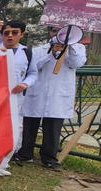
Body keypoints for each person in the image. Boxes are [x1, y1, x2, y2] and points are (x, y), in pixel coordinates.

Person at [17, 26, 87, 170]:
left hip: (58, 94)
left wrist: (69, 49)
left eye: (60, 31)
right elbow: (34, 66)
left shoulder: (78, 49)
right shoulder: (40, 49)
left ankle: (49, 158)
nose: (57, 34)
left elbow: (77, 63)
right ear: (50, 32)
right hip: (38, 92)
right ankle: (25, 154)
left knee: (53, 127)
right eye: (54, 31)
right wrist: (51, 54)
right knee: (30, 125)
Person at [0, 20, 38, 176]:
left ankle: (3, 162)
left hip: (15, 99)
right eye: (6, 33)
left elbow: (33, 73)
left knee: (13, 130)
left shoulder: (28, 53)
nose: (10, 36)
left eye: (14, 32)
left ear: (22, 34)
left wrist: (25, 84)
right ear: (1, 35)